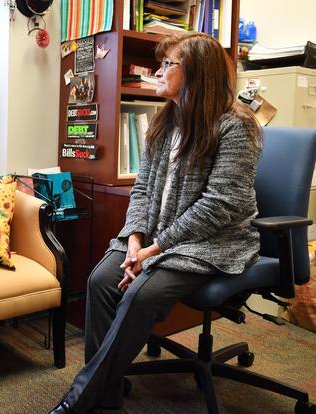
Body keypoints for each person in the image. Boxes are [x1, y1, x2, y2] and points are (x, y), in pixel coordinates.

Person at [49, 32, 262, 414]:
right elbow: (143, 188)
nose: (158, 72)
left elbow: (218, 206)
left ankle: (81, 399)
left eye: (168, 64)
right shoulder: (165, 122)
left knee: (140, 294)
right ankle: (107, 398)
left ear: (196, 72)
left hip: (211, 241)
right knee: (100, 281)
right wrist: (134, 238)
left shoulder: (236, 127)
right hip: (157, 236)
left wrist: (153, 250)